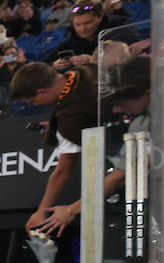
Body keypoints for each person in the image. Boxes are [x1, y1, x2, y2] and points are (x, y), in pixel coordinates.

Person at [9, 61, 124, 235]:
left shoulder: (70, 122)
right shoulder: (86, 69)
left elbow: (63, 173)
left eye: (33, 100)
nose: (36, 105)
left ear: (42, 92)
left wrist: (41, 212)